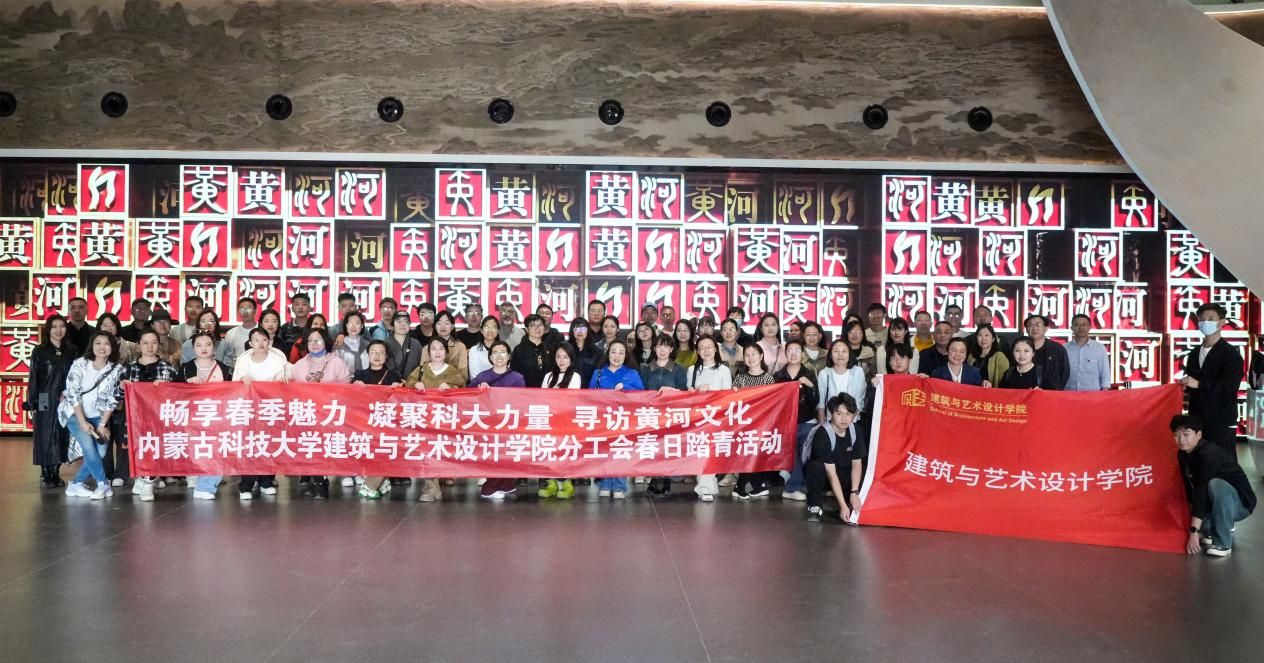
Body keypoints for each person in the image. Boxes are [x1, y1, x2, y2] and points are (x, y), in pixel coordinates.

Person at [1172, 414, 1256, 557]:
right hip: (1215, 503)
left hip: (1241, 505)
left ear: (1199, 435)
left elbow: (1200, 489)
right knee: (1201, 499)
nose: (1181, 439)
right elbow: (1190, 488)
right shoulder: (1183, 454)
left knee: (1216, 484)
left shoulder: (1208, 454)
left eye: (1186, 434)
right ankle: (1211, 531)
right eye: (1176, 435)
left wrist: (1193, 531)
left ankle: (1223, 543)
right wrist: (1194, 526)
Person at [58, 332, 123, 501]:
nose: (102, 347)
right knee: (89, 447)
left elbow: (113, 399)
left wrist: (102, 424)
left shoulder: (116, 369)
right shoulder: (80, 364)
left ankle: (76, 484)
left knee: (100, 451)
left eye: (106, 343)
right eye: (98, 343)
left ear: (112, 347)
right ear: (91, 346)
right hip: (74, 412)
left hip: (97, 416)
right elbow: (72, 393)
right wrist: (82, 421)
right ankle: (103, 484)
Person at [290, 327, 351, 499]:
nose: (314, 344)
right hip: (307, 414)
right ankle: (317, 480)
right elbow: (291, 389)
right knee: (310, 446)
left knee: (324, 447)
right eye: (310, 341)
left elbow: (347, 387)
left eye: (318, 340)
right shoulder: (299, 365)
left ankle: (321, 482)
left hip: (330, 414)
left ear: (326, 342)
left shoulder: (336, 362)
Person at [406, 337, 467, 502]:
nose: (437, 352)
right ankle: (432, 488)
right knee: (428, 451)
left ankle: (434, 487)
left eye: (441, 348)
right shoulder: (421, 369)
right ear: (428, 352)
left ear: (446, 352)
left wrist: (451, 388)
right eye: (433, 349)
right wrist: (415, 384)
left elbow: (463, 389)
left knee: (438, 451)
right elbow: (409, 382)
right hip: (424, 418)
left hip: (445, 420)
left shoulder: (453, 371)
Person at [121, 330, 178, 499]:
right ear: (138, 346)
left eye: (154, 342)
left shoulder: (168, 368)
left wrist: (166, 388)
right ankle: (143, 477)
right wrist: (122, 387)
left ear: (159, 345)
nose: (149, 346)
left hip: (159, 419)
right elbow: (117, 396)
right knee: (139, 450)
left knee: (154, 448)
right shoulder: (128, 368)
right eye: (145, 342)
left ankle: (148, 482)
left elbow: (178, 395)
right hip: (135, 419)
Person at [1181, 303, 1245, 455]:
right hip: (1197, 420)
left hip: (1220, 421)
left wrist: (1199, 384)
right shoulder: (1194, 353)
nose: (1205, 322)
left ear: (1221, 322)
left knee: (1222, 461)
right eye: (1202, 319)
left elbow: (1230, 387)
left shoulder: (1231, 354)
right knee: (1199, 461)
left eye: (1211, 319)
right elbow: (1191, 387)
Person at [178, 331, 235, 500]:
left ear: (214, 347)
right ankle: (196, 476)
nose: (204, 348)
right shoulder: (186, 368)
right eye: (199, 345)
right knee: (199, 450)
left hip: (218, 418)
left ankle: (205, 486)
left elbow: (233, 391)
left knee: (219, 450)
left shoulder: (225, 369)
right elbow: (174, 392)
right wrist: (186, 384)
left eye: (208, 344)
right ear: (193, 348)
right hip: (193, 418)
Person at [232, 327, 288, 500]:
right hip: (249, 409)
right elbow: (235, 383)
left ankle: (266, 481)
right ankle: (246, 485)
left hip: (271, 408)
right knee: (250, 446)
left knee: (269, 444)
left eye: (264, 339)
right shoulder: (243, 360)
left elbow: (282, 378)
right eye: (256, 340)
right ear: (250, 343)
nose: (261, 343)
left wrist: (280, 380)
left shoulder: (277, 359)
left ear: (269, 341)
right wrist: (243, 380)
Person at [590, 340, 644, 499]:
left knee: (621, 452)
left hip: (624, 420)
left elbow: (642, 395)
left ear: (626, 355)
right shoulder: (598, 373)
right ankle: (605, 484)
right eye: (613, 351)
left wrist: (626, 389)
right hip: (603, 420)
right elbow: (589, 396)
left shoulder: (632, 373)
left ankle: (620, 486)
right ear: (608, 353)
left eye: (621, 352)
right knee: (604, 452)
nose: (617, 356)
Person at [27, 315, 75, 488]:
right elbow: (34, 377)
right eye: (54, 327)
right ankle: (46, 472)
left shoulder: (72, 351)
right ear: (48, 330)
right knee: (45, 433)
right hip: (44, 397)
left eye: (62, 326)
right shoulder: (39, 351)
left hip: (65, 398)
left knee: (62, 434)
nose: (58, 330)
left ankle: (56, 471)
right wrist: (32, 401)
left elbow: (76, 376)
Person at [355, 340, 405, 500]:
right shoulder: (360, 375)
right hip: (365, 423)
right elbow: (351, 400)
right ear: (368, 355)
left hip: (387, 424)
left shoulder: (394, 375)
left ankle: (370, 485)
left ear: (386, 356)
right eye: (373, 352)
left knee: (387, 450)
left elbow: (402, 401)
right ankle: (379, 482)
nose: (377, 355)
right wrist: (355, 388)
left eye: (381, 352)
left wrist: (400, 389)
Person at [640, 334, 688, 497]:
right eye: (659, 346)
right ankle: (655, 478)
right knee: (653, 447)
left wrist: (671, 391)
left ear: (671, 349)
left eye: (666, 346)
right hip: (651, 414)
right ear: (654, 348)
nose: (662, 350)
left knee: (667, 447)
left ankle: (665, 478)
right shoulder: (645, 368)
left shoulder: (679, 369)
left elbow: (684, 392)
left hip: (670, 415)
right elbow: (640, 392)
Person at [804, 394, 865, 524]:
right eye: (839, 413)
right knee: (815, 467)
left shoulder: (856, 431)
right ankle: (815, 505)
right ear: (831, 414)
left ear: (854, 415)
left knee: (865, 469)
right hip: (826, 476)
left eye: (848, 414)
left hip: (844, 473)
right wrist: (842, 506)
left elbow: (857, 463)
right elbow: (831, 474)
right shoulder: (823, 434)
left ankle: (850, 499)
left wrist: (854, 492)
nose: (844, 419)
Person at [774, 340, 820, 502]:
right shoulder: (778, 376)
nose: (793, 354)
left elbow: (815, 401)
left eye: (797, 350)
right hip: (785, 424)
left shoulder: (809, 374)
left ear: (802, 354)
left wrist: (810, 386)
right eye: (790, 350)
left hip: (806, 421)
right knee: (791, 454)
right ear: (785, 353)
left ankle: (793, 483)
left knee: (804, 454)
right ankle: (792, 487)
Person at [537, 343, 584, 500]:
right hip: (549, 421)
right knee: (549, 452)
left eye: (565, 357)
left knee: (563, 453)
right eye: (558, 357)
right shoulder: (548, 376)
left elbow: (570, 400)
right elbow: (542, 399)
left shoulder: (575, 376)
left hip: (566, 422)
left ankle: (566, 485)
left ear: (571, 359)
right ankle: (551, 483)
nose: (562, 360)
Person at [732, 343, 776, 499]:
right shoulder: (740, 377)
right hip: (743, 424)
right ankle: (756, 486)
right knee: (745, 453)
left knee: (755, 455)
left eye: (754, 354)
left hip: (762, 424)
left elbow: (771, 401)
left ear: (761, 356)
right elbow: (732, 401)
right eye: (747, 355)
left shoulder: (768, 378)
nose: (750, 358)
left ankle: (742, 486)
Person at [1066, 314, 1111, 391]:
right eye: (1077, 325)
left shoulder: (1099, 348)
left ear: (1090, 327)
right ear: (1072, 328)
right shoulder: (1064, 348)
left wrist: (1105, 390)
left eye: (1084, 325)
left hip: (1093, 394)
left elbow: (1105, 372)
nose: (1081, 328)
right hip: (1069, 393)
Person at [1024, 314, 1069, 390]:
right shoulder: (1020, 348)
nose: (1034, 328)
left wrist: (1055, 391)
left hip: (1051, 394)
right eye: (1030, 325)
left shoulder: (1057, 349)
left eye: (1038, 325)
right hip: (1025, 393)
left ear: (1046, 328)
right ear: (1026, 329)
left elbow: (1065, 373)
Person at [509, 314, 555, 387]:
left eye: (540, 325)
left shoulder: (550, 349)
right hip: (525, 390)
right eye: (533, 325)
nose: (537, 328)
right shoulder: (519, 350)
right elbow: (514, 374)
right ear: (527, 329)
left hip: (547, 390)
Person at [430, 310, 470, 380]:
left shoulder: (460, 347)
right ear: (435, 326)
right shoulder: (427, 348)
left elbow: (463, 376)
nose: (443, 326)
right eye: (439, 323)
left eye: (447, 323)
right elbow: (422, 373)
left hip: (453, 385)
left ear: (452, 326)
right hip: (432, 385)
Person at [221, 297, 259, 367]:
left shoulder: (263, 331)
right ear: (238, 312)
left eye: (248, 309)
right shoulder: (231, 334)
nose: (245, 312)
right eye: (242, 309)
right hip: (238, 371)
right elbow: (228, 358)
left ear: (255, 311)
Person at [385, 310, 422, 379]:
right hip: (389, 383)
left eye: (406, 321)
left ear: (409, 324)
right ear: (393, 325)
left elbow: (421, 367)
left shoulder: (416, 344)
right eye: (398, 321)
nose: (402, 324)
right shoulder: (384, 343)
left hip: (411, 383)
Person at [467, 315, 501, 381]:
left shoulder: (503, 349)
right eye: (486, 327)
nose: (490, 330)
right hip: (479, 385)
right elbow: (474, 376)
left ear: (498, 331)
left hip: (500, 386)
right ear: (481, 330)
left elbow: (505, 373)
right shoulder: (474, 350)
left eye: (493, 327)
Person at [568, 317, 599, 388]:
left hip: (590, 389)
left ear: (588, 331)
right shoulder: (566, 349)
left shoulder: (596, 351)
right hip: (570, 388)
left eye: (583, 328)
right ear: (572, 331)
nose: (580, 332)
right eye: (577, 328)